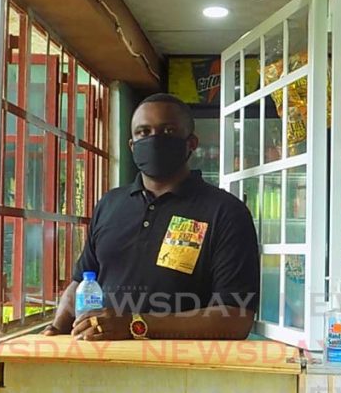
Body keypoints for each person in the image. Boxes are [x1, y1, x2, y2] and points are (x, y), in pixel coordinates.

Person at [42, 93, 260, 341]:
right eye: (144, 132)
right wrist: (57, 328)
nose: (154, 140)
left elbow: (236, 318)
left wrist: (136, 325)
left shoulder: (226, 212)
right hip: (99, 363)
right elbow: (81, 281)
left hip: (186, 369)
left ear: (191, 143)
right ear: (132, 145)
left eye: (168, 131)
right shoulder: (110, 204)